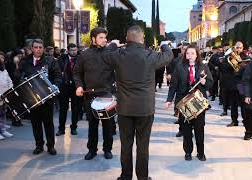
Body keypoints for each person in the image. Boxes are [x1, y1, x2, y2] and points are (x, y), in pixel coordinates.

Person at [102, 25, 173, 180]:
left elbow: (105, 54)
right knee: (143, 146)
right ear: (142, 39)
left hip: (125, 109)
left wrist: (113, 43)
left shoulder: (118, 54)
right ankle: (142, 177)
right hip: (145, 109)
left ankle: (125, 176)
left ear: (126, 39)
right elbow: (169, 56)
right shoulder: (150, 55)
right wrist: (163, 44)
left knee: (126, 145)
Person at [73, 27, 116, 160]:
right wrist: (79, 86)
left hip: (107, 95)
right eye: (101, 37)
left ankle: (107, 149)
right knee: (92, 125)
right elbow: (76, 73)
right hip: (90, 96)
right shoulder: (84, 55)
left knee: (108, 125)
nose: (104, 40)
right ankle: (92, 150)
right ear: (93, 39)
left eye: (105, 37)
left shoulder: (110, 53)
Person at [165, 44, 213, 161]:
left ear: (197, 54)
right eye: (188, 53)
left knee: (199, 128)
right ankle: (188, 152)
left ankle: (201, 153)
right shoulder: (179, 67)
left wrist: (204, 82)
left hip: (198, 102)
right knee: (186, 129)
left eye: (192, 53)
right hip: (183, 101)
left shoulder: (203, 66)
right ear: (185, 55)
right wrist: (169, 100)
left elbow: (210, 83)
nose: (190, 55)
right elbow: (173, 85)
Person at [15, 38, 62, 155]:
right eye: (36, 47)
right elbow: (18, 77)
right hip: (32, 98)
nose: (38, 50)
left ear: (43, 48)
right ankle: (39, 145)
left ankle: (51, 146)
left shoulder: (50, 60)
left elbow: (58, 75)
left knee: (48, 123)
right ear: (32, 48)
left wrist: (55, 85)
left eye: (40, 47)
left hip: (47, 97)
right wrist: (17, 70)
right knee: (35, 123)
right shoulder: (25, 61)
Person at [56, 43, 80, 136]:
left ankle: (74, 127)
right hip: (64, 86)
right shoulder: (62, 58)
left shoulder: (80, 59)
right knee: (63, 109)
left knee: (75, 108)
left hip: (76, 86)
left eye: (75, 50)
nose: (74, 52)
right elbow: (58, 70)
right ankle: (61, 129)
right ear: (68, 50)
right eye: (72, 50)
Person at [6, 48, 24, 126]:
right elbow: (13, 75)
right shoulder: (10, 63)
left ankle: (18, 119)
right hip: (12, 85)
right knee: (14, 104)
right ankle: (15, 120)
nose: (20, 58)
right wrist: (16, 65)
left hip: (19, 85)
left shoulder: (21, 63)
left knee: (19, 104)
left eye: (21, 56)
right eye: (18, 56)